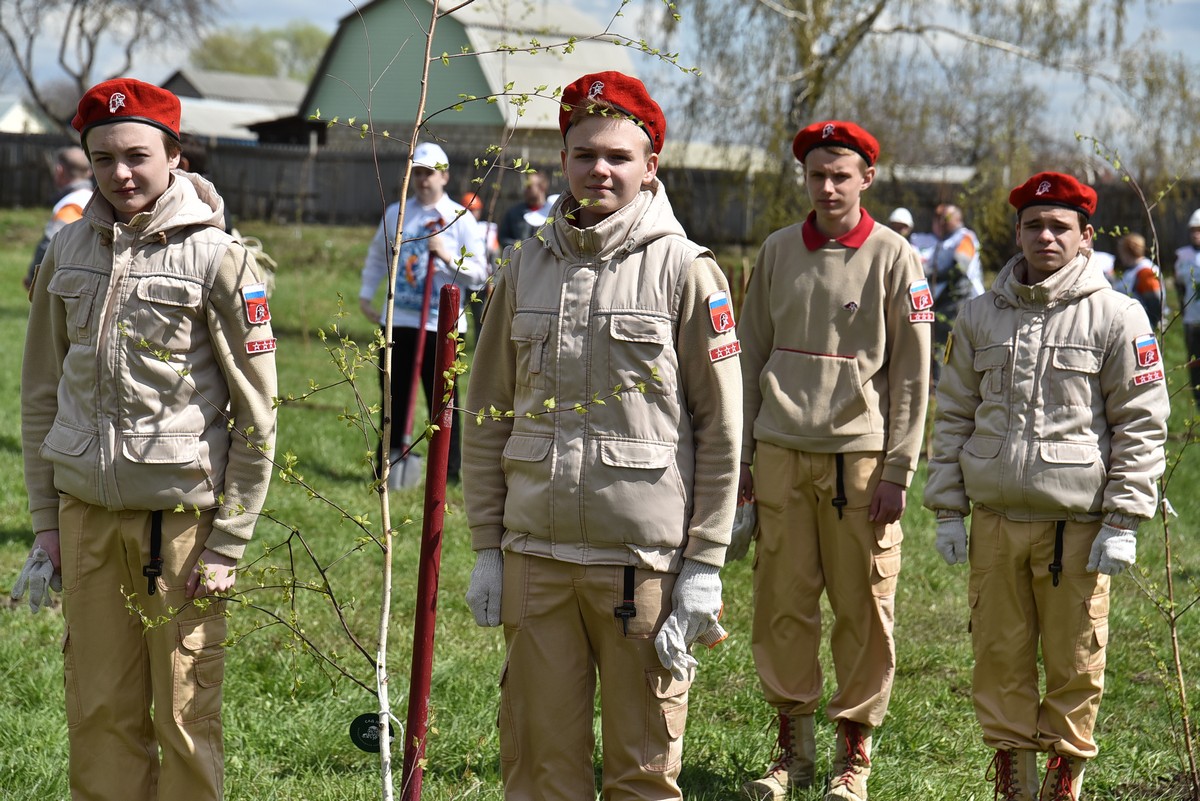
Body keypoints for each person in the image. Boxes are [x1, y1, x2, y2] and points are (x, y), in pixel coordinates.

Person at [461, 70, 741, 800]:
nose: (600, 169)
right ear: (563, 160)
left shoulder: (687, 270)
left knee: (643, 769)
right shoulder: (523, 269)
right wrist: (487, 548)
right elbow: (486, 414)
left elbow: (721, 430)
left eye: (618, 155)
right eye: (584, 153)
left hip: (640, 563)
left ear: (651, 165)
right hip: (536, 558)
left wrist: (705, 561)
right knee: (537, 765)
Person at [15, 78, 278, 801]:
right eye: (102, 158)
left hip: (183, 529)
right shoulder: (65, 249)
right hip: (85, 520)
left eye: (136, 155)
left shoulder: (220, 257)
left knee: (185, 714)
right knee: (97, 709)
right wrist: (46, 525)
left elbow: (259, 413)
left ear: (174, 153)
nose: (120, 173)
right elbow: (40, 396)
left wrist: (230, 541)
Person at [923, 172, 1168, 801]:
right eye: (1034, 225)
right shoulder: (978, 316)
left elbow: (1142, 421)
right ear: (1018, 234)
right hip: (997, 525)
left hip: (1077, 530)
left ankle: (1063, 780)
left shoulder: (1118, 315)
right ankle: (1015, 780)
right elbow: (951, 413)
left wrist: (1123, 519)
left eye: (1061, 226)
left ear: (1086, 238)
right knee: (998, 659)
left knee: (1074, 663)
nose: (1046, 236)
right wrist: (948, 509)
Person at [738, 121, 931, 801]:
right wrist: (742, 458)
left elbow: (912, 375)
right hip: (781, 452)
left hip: (860, 462)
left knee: (862, 609)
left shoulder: (895, 256)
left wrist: (899, 468)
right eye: (817, 174)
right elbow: (748, 353)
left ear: (866, 178)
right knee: (782, 606)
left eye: (840, 174)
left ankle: (855, 754)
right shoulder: (776, 250)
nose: (827, 186)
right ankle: (792, 750)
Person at [358, 141, 488, 486]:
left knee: (443, 402)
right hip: (398, 319)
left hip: (442, 325)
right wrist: (366, 295)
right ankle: (388, 462)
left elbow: (479, 273)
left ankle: (449, 470)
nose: (422, 180)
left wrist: (446, 255)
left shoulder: (459, 220)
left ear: (444, 176)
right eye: (417, 173)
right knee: (392, 394)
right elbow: (377, 255)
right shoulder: (398, 213)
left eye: (429, 173)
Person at [926, 203, 985, 385]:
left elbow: (960, 266)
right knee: (940, 349)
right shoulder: (941, 242)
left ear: (957, 219)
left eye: (945, 219)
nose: (940, 223)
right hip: (943, 303)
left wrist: (930, 274)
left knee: (956, 350)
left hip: (962, 302)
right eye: (938, 219)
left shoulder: (964, 237)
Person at [22, 146, 94, 291]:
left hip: (70, 284)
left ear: (59, 170)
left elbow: (48, 244)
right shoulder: (93, 200)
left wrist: (33, 278)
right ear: (89, 172)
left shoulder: (72, 204)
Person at [460, 190, 499, 344]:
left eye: (474, 210)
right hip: (461, 281)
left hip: (481, 284)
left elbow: (493, 257)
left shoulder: (487, 229)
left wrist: (492, 280)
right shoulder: (458, 228)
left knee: (481, 320)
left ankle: (480, 352)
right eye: (468, 210)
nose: (472, 213)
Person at [1114, 232, 1165, 328]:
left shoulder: (1145, 271)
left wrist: (1152, 326)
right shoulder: (1132, 270)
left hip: (1142, 326)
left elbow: (1154, 303)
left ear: (1128, 250)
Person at [1175, 209, 1200, 410]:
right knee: (1195, 364)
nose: (1195, 234)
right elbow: (1180, 287)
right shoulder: (1182, 256)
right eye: (1193, 230)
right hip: (1192, 320)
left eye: (1199, 230)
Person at [496, 169, 550, 251]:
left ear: (541, 187)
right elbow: (503, 238)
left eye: (529, 187)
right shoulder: (514, 213)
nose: (525, 189)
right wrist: (519, 247)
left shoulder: (551, 213)